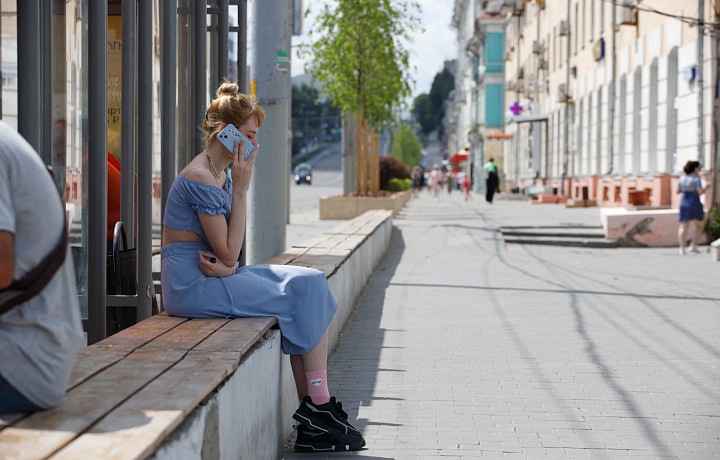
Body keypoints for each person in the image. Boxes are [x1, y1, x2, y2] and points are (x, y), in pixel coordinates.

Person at [161, 82, 365, 452]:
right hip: (194, 285)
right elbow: (228, 252)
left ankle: (315, 415)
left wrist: (229, 264)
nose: (256, 144)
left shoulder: (216, 173)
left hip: (211, 276)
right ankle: (318, 413)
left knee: (312, 283)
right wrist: (241, 190)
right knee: (301, 292)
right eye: (250, 135)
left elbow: (229, 258)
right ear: (227, 132)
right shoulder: (201, 178)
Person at [0, 120, 84, 413]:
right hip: (37, 352)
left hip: (22, 362)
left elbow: (2, 267)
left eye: (64, 145)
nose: (61, 151)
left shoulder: (81, 167)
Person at [677, 160, 709, 255]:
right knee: (699, 225)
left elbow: (677, 191)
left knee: (683, 226)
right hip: (694, 201)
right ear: (695, 168)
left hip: (684, 201)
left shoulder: (682, 178)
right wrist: (707, 187)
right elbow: (700, 192)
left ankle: (682, 248)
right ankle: (693, 245)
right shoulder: (696, 179)